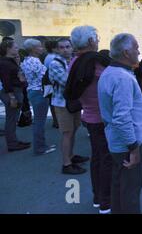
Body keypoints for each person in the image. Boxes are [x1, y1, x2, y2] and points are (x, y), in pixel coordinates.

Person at [64, 26, 112, 214]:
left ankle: (97, 197)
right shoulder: (95, 63)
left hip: (90, 116)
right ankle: (106, 202)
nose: (98, 40)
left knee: (97, 158)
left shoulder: (75, 61)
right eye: (97, 38)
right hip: (103, 118)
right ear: (91, 41)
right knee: (107, 160)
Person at [98, 33, 142, 214]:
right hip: (127, 143)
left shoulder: (110, 72)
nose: (139, 51)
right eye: (136, 48)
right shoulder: (122, 78)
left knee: (120, 185)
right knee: (131, 189)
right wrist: (133, 148)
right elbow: (122, 117)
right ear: (126, 52)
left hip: (117, 142)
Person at [49, 38, 88, 174]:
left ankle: (71, 156)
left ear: (72, 48)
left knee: (74, 129)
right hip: (62, 103)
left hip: (73, 102)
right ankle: (66, 164)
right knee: (67, 133)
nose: (65, 49)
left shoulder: (72, 61)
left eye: (67, 46)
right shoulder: (55, 63)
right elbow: (67, 82)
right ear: (57, 49)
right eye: (61, 47)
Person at [21, 39, 56, 155]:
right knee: (39, 121)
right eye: (39, 46)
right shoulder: (35, 61)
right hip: (39, 92)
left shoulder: (26, 60)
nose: (42, 48)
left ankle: (41, 145)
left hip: (32, 90)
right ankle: (40, 147)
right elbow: (45, 76)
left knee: (39, 120)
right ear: (33, 49)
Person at [0, 39, 31, 151]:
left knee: (13, 118)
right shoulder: (4, 63)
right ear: (8, 49)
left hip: (17, 90)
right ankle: (12, 144)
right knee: (11, 119)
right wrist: (12, 97)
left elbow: (17, 74)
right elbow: (6, 81)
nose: (18, 49)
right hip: (13, 92)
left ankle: (14, 141)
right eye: (16, 47)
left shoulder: (10, 61)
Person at [44, 40, 59, 128]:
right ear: (53, 48)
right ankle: (57, 121)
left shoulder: (48, 56)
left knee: (52, 102)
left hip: (49, 83)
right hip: (53, 83)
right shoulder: (53, 57)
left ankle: (56, 121)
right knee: (54, 102)